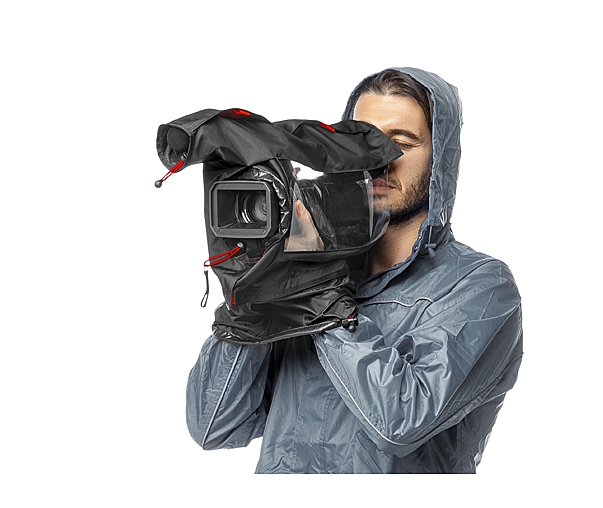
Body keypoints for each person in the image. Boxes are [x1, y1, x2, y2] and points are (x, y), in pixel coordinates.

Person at [186, 67, 523, 473]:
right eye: (362, 141)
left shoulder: (481, 288)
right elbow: (213, 427)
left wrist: (316, 287)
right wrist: (254, 288)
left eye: (401, 142)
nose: (378, 162)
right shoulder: (308, 267)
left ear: (441, 160)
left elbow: (401, 423)